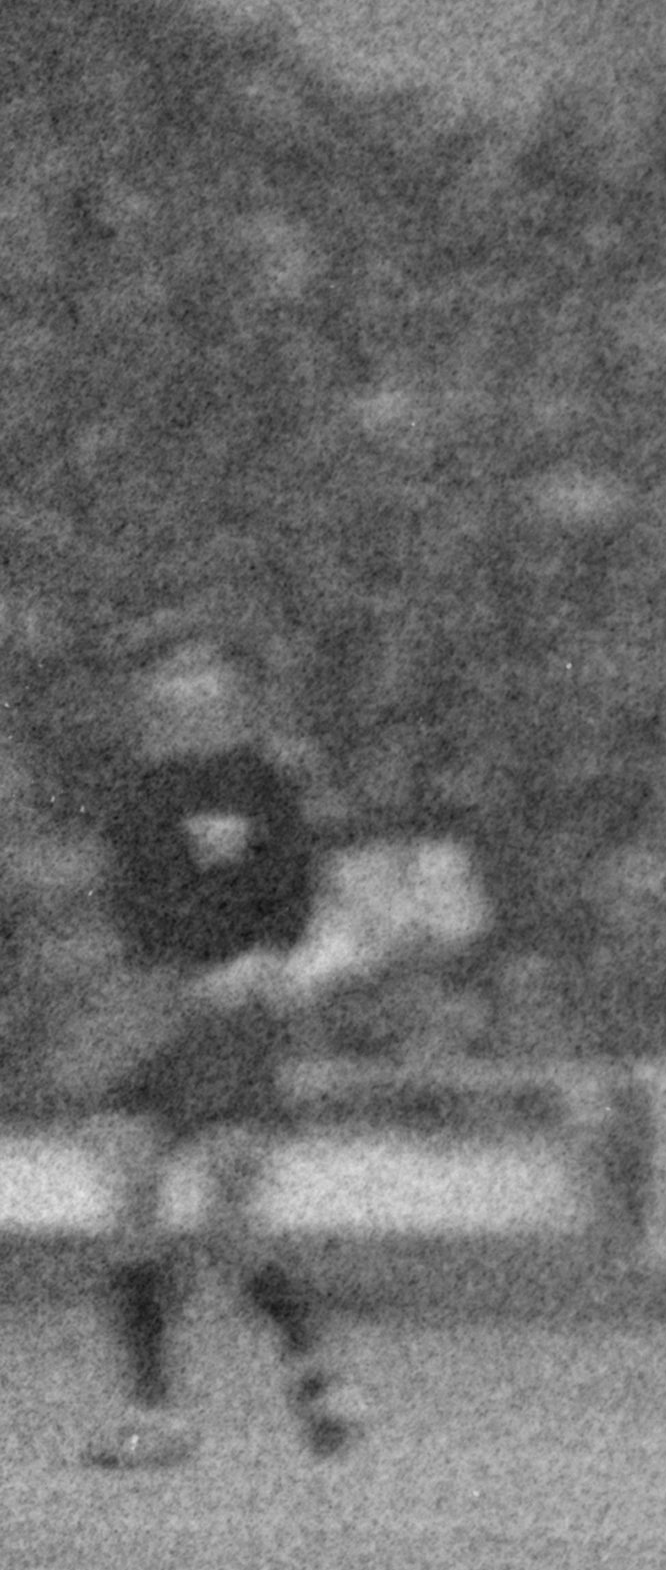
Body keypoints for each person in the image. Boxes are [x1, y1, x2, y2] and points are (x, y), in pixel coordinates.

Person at [66, 617, 364, 1468]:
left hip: (237, 1018)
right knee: (130, 1190)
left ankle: (315, 1368)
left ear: (228, 688)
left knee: (229, 1212)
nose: (186, 683)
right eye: (171, 671)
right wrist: (173, 977)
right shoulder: (137, 792)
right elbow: (132, 909)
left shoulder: (267, 782)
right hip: (158, 1012)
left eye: (202, 668)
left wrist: (263, 962)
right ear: (151, 692)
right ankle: (153, 1413)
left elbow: (295, 897)